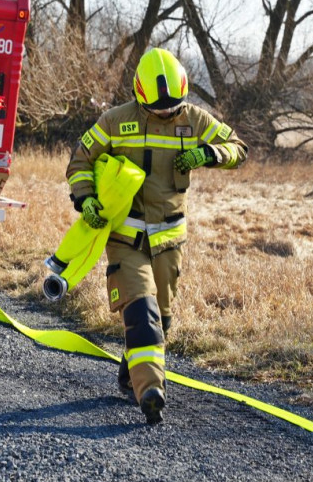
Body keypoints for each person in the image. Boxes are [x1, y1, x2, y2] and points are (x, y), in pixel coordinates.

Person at [65, 47, 248, 424]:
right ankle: (150, 391)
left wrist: (209, 154)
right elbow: (80, 161)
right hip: (125, 239)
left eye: (172, 107)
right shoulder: (115, 120)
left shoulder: (194, 118)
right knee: (141, 310)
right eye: (158, 108)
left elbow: (238, 149)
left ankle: (131, 370)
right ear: (139, 93)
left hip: (169, 242)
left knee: (161, 321)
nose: (166, 113)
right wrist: (85, 199)